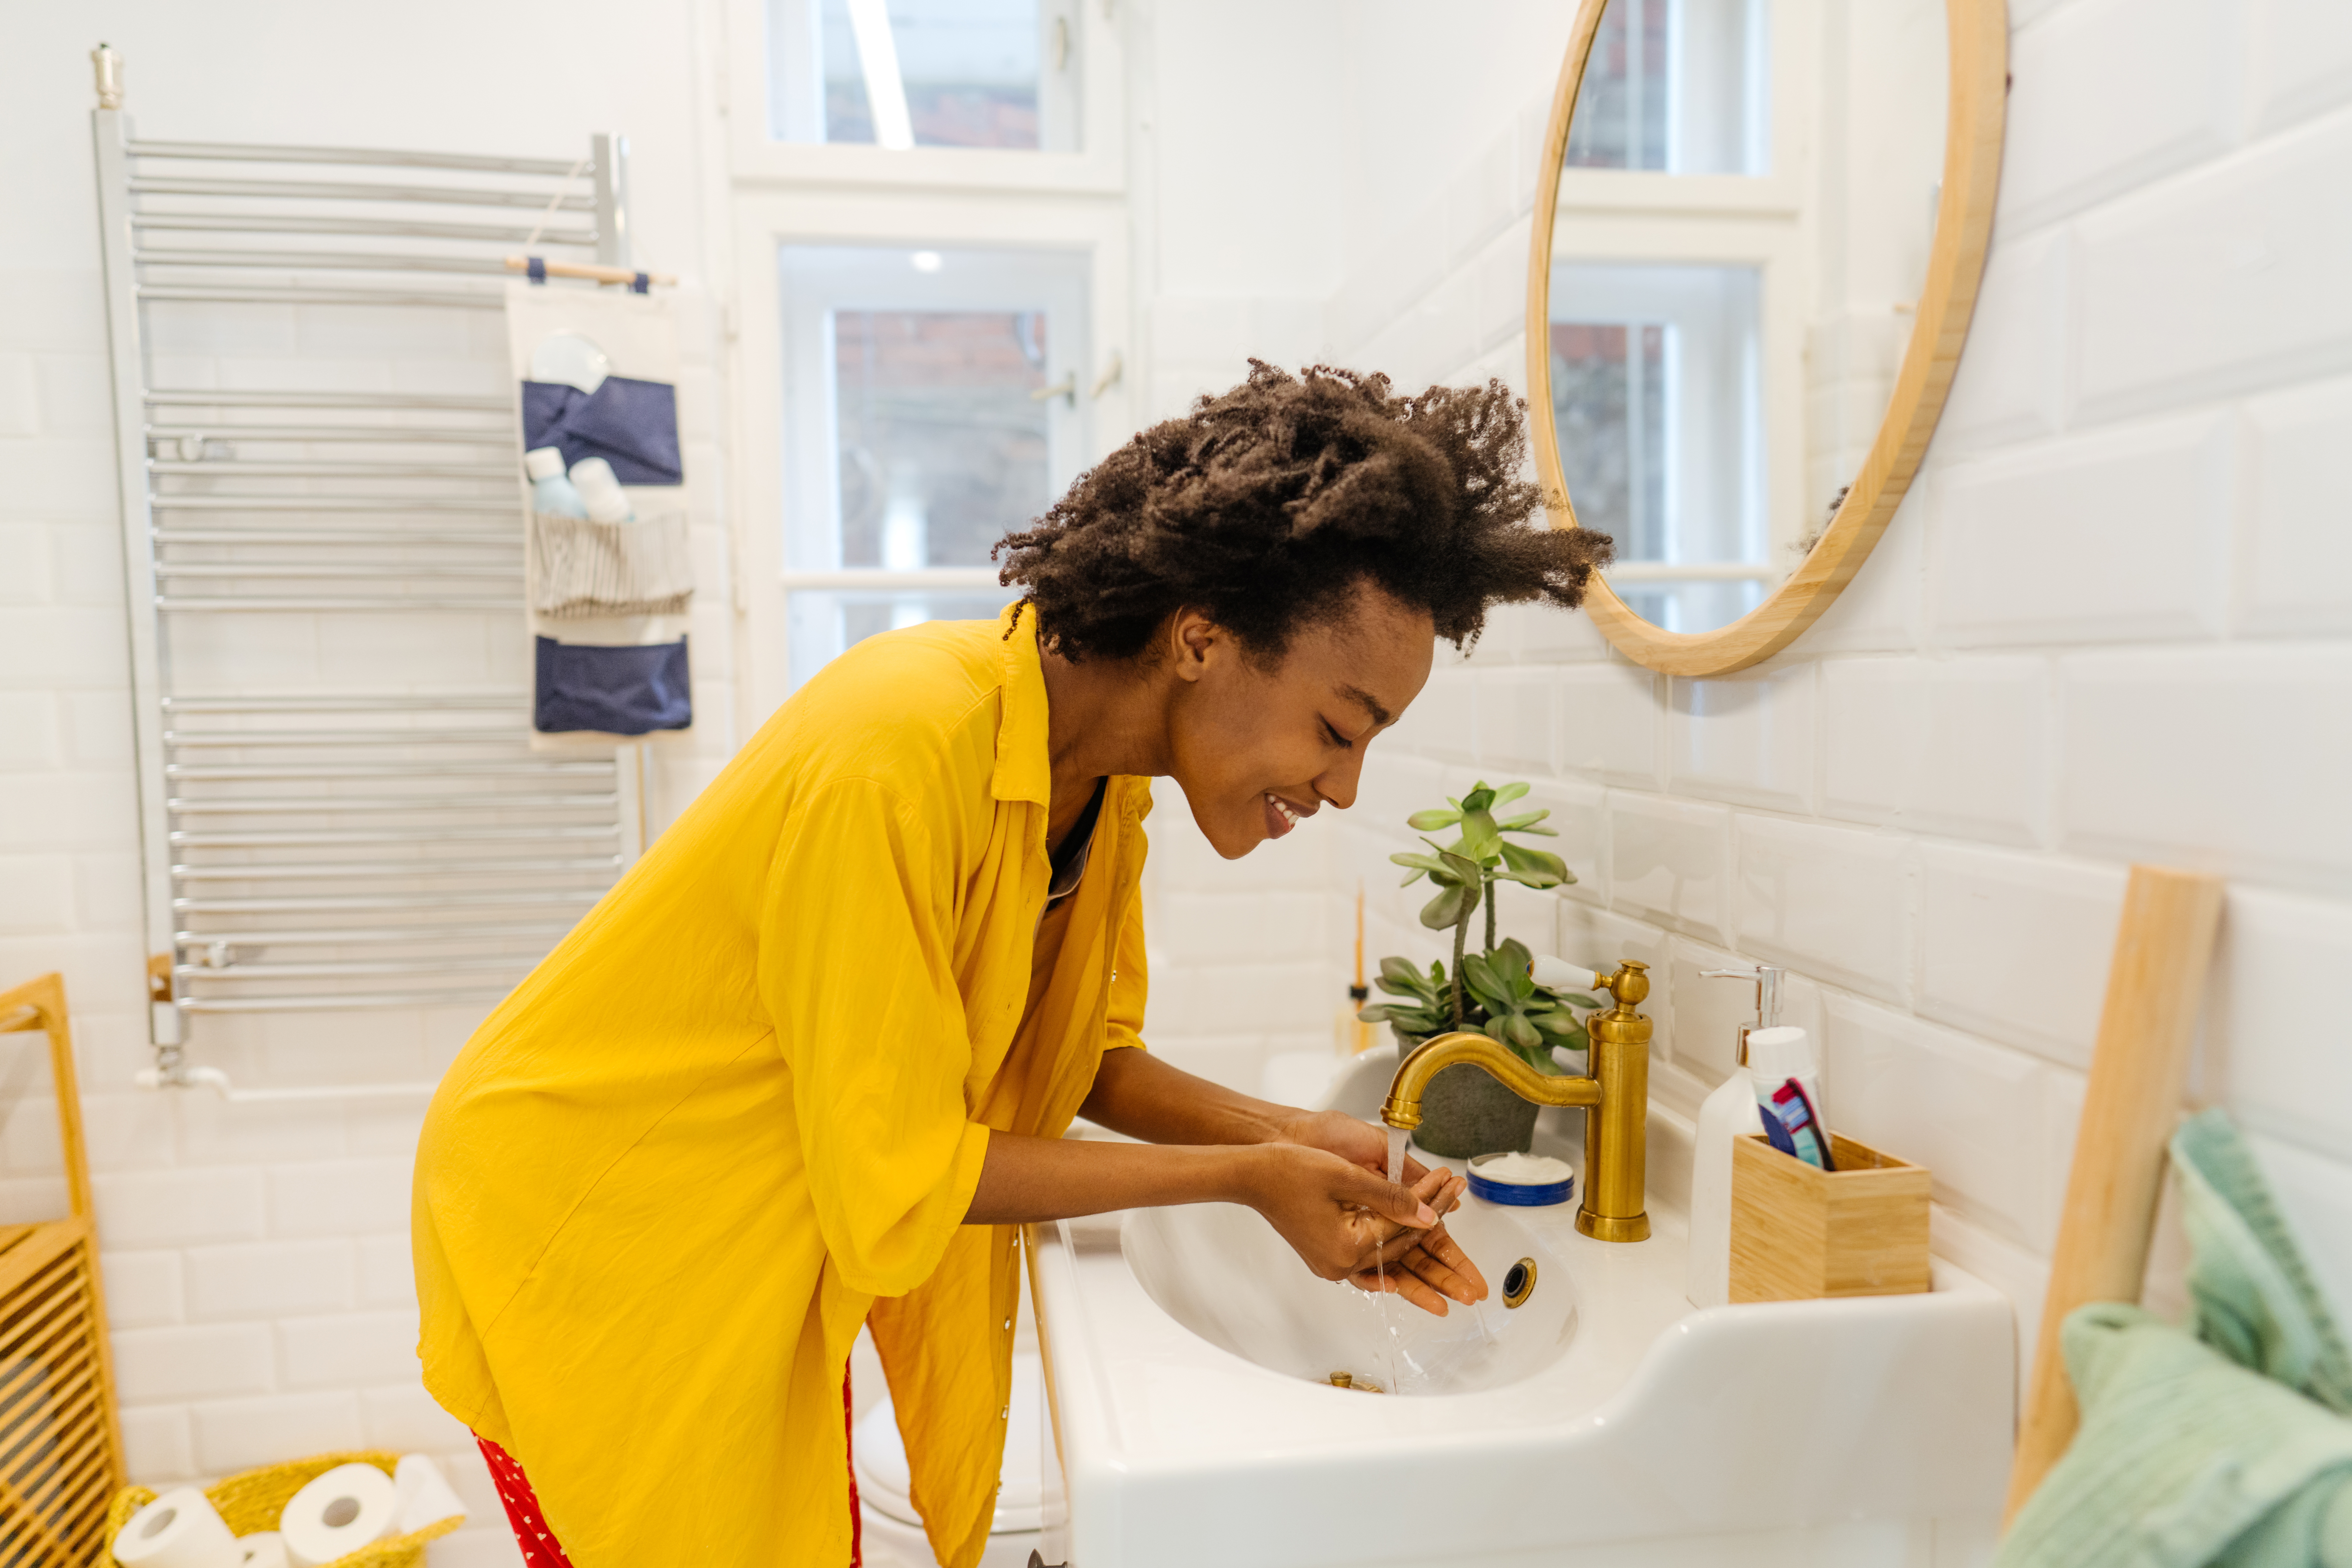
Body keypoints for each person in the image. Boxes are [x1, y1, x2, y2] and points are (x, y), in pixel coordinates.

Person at [412, 362, 1612, 1568]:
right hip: (592, 1217)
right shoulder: (901, 743)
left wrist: (1293, 1140)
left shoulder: (1102, 789)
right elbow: (899, 1186)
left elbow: (1078, 1058)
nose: (1343, 783)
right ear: (1200, 636)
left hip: (750, 1234)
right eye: (1336, 728)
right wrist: (1248, 1177)